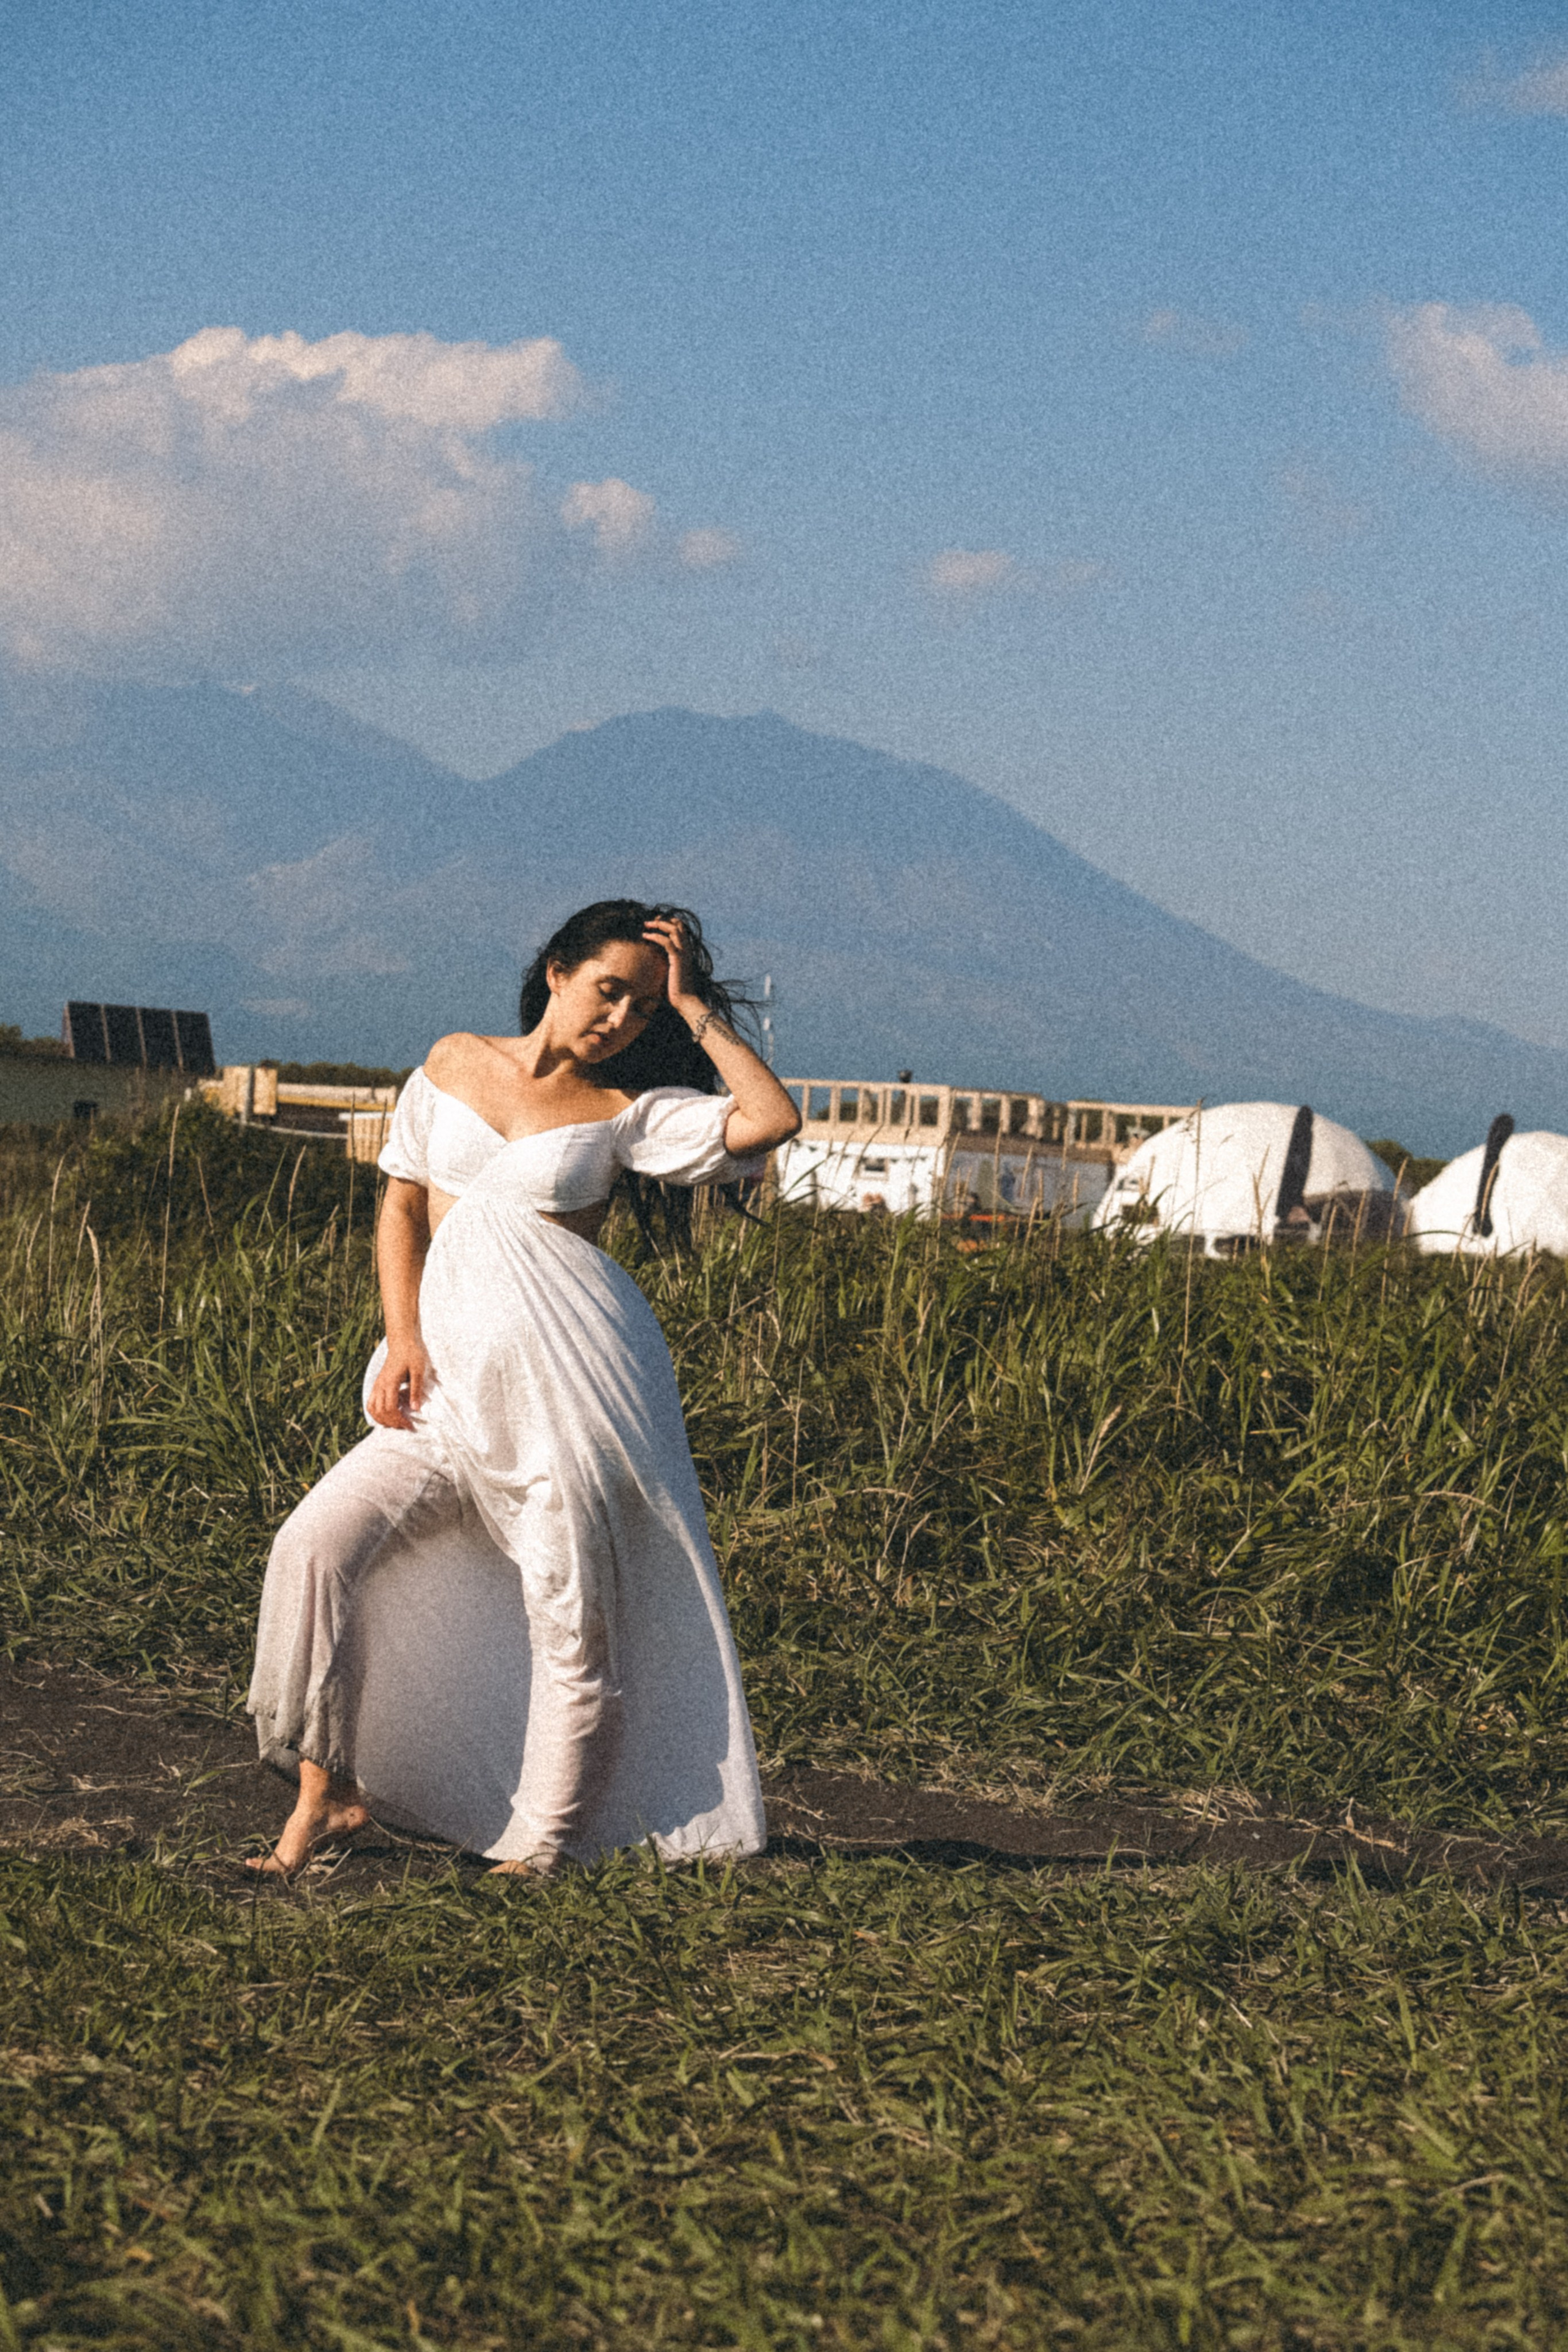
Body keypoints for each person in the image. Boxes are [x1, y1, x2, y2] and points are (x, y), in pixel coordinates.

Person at [246, 901, 802, 1879]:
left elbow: (770, 1122)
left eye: (640, 1008)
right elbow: (402, 1201)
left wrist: (698, 1010)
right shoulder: (454, 1061)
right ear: (556, 972)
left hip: (569, 1403)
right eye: (608, 990)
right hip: (445, 1397)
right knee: (315, 1548)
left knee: (570, 1610)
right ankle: (326, 1795)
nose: (619, 1018)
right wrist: (404, 1335)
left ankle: (544, 1843)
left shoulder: (624, 1113)